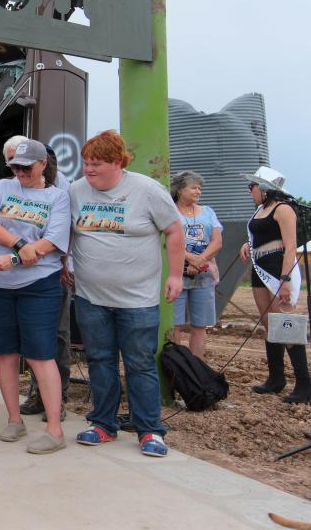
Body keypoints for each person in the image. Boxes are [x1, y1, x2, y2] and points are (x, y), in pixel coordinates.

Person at [67, 130, 183, 458]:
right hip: (91, 297)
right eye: (86, 163)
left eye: (97, 164)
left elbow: (174, 230)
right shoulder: (76, 191)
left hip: (138, 300)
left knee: (139, 364)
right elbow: (67, 231)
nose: (88, 170)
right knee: (99, 361)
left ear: (117, 162)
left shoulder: (146, 190)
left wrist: (175, 274)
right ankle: (103, 424)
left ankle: (150, 431)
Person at [0, 139, 70, 454]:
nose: (19, 173)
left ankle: (54, 429)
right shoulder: (3, 188)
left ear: (43, 164)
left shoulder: (58, 197)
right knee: (5, 353)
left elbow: (53, 241)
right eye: (15, 167)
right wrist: (20, 244)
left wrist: (17, 258)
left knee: (40, 355)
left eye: (26, 167)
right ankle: (14, 419)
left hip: (38, 284)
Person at [240, 166, 311, 403]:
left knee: (285, 323)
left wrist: (285, 279)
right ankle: (276, 378)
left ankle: (304, 383)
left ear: (264, 188)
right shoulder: (261, 210)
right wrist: (247, 245)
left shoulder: (284, 209)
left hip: (277, 267)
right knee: (269, 324)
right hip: (259, 267)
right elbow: (259, 236)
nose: (250, 190)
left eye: (252, 186)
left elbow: (290, 247)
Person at [170, 171, 223, 360]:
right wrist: (189, 259)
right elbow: (165, 239)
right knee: (174, 324)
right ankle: (177, 369)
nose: (198, 191)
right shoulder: (169, 211)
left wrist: (200, 260)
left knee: (200, 325)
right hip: (176, 276)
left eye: (200, 188)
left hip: (203, 276)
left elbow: (217, 242)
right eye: (193, 187)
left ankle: (196, 369)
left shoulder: (208, 212)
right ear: (179, 189)